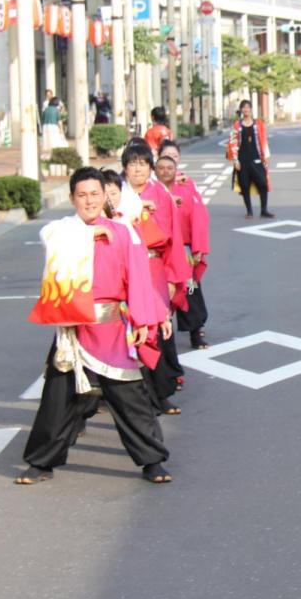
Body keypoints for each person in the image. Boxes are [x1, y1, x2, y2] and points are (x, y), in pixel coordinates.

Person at [16, 167, 172, 485]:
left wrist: (146, 319)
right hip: (73, 331)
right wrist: (89, 235)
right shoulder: (63, 231)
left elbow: (139, 278)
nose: (89, 201)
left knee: (131, 399)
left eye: (95, 194)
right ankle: (41, 462)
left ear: (105, 196)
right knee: (57, 400)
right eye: (82, 195)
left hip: (111, 329)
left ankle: (152, 461)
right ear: (72, 198)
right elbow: (49, 237)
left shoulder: (123, 231)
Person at [122, 143, 192, 413]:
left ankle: (161, 392)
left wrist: (175, 276)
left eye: (142, 164)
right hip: (126, 270)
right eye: (132, 164)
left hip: (154, 268)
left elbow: (173, 237)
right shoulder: (118, 196)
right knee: (126, 333)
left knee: (157, 331)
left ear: (150, 168)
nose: (137, 169)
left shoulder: (160, 195)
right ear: (125, 168)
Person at [158, 142, 212, 349]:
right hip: (159, 252)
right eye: (166, 157)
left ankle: (195, 332)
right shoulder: (150, 188)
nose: (170, 161)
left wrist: (198, 247)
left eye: (174, 157)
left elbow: (199, 218)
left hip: (184, 250)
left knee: (190, 289)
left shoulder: (187, 184)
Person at [227, 100, 274, 219]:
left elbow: (264, 139)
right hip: (242, 160)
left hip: (257, 158)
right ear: (241, 110)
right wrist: (235, 160)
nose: (246, 109)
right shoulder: (237, 125)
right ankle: (249, 211)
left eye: (248, 107)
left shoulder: (258, 123)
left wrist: (266, 156)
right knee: (244, 185)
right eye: (243, 107)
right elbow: (232, 143)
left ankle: (264, 210)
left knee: (263, 183)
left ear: (251, 109)